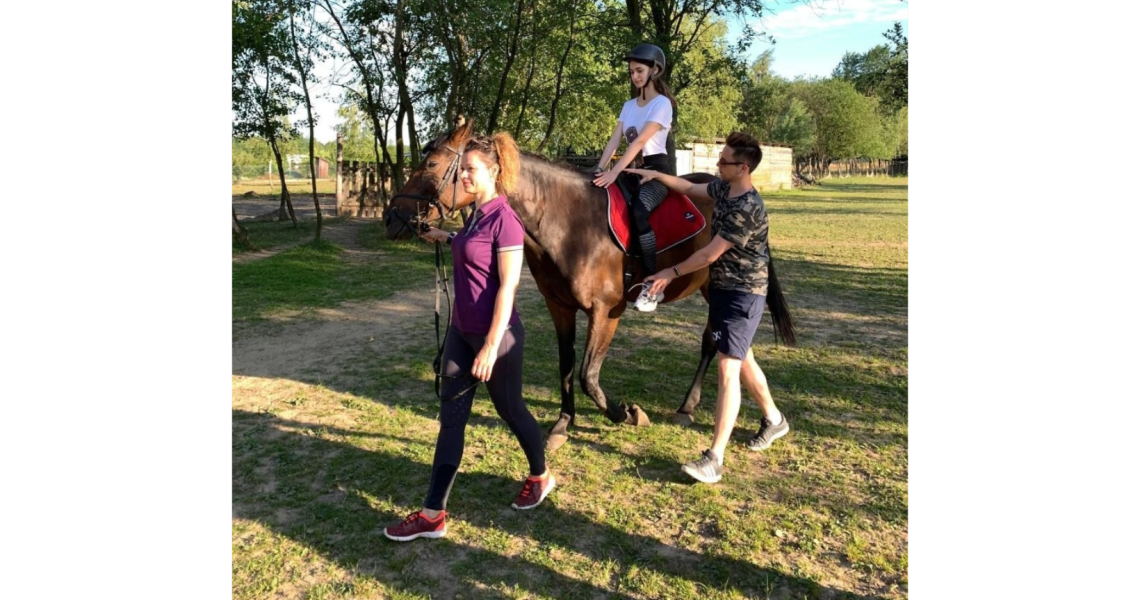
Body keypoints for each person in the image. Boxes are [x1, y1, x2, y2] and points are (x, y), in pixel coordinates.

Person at [384, 132, 555, 542]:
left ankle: (542, 475)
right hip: (461, 333)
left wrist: (492, 347)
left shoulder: (506, 221)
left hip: (500, 338)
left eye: (471, 170)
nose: (463, 176)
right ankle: (432, 514)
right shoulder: (473, 217)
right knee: (451, 421)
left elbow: (508, 287)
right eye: (462, 170)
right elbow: (468, 244)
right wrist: (442, 237)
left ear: (494, 172)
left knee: (511, 410)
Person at [626, 132, 789, 484]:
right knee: (743, 358)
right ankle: (775, 419)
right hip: (723, 289)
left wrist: (668, 272)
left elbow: (709, 254)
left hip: (744, 294)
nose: (718, 164)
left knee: (727, 368)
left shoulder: (747, 208)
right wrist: (658, 177)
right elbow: (689, 189)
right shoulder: (724, 189)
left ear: (743, 168)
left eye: (724, 160)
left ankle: (714, 458)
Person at [592, 42, 677, 312]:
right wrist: (599, 168)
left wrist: (614, 171)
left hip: (655, 172)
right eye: (632, 72)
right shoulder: (629, 105)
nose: (635, 76)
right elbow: (615, 139)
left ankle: (652, 285)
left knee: (639, 211)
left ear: (655, 71)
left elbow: (640, 141)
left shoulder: (661, 104)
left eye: (639, 70)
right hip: (629, 170)